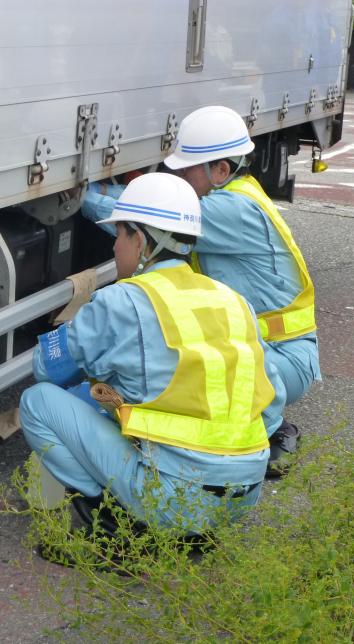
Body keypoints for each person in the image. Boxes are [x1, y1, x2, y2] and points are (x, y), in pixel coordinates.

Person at [20, 173, 286, 540]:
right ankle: (183, 520)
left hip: (172, 502)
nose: (114, 248)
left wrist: (67, 335)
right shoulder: (232, 300)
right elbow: (273, 403)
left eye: (119, 236)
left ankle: (116, 521)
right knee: (114, 399)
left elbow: (46, 370)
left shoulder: (121, 300)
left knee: (37, 402)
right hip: (242, 499)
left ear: (142, 241)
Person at [82, 106, 319, 476]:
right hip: (276, 350)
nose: (175, 175)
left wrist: (86, 194)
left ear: (221, 170)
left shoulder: (233, 209)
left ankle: (268, 432)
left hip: (282, 358)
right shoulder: (241, 193)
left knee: (187, 372)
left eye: (185, 168)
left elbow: (143, 216)